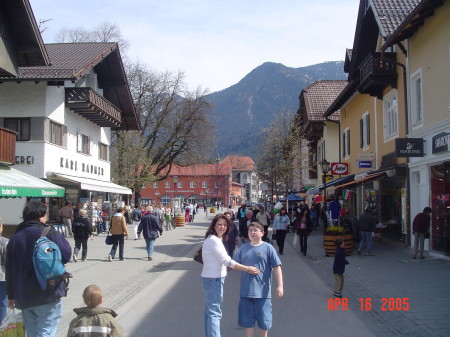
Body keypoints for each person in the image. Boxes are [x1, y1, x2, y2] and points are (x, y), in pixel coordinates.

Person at [6, 200, 71, 337]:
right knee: (46, 331)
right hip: (48, 291)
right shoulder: (48, 232)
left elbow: (9, 270)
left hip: (23, 295)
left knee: (32, 332)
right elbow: (66, 254)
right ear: (41, 215)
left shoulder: (14, 238)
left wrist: (11, 295)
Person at [201, 214, 259, 337]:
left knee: (210, 312)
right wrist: (247, 268)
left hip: (211, 278)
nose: (222, 227)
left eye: (225, 225)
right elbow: (227, 261)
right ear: (214, 226)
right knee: (214, 313)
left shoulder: (215, 239)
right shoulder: (214, 240)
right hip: (213, 279)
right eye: (219, 224)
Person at [234, 222, 283, 337]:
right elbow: (234, 264)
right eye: (250, 230)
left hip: (263, 294)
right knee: (248, 324)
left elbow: (276, 267)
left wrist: (280, 285)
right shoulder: (244, 248)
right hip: (246, 293)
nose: (252, 232)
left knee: (264, 324)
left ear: (262, 233)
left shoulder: (268, 248)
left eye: (255, 230)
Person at [0, 218, 9, 323]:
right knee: (2, 303)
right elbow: (9, 262)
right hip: (2, 277)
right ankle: (1, 326)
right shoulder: (4, 242)